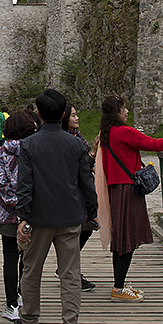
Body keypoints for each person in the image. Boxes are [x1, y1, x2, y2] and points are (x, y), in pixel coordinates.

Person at [13, 89, 97, 324]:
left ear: (38, 114)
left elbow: (24, 186)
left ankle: (30, 321)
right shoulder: (75, 144)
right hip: (70, 217)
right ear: (62, 114)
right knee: (70, 274)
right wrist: (91, 210)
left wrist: (24, 218)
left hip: (38, 217)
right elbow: (86, 182)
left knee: (31, 270)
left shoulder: (29, 144)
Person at [97, 94, 163, 302]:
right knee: (127, 239)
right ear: (117, 112)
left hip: (117, 189)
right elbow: (154, 144)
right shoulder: (124, 132)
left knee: (121, 238)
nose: (127, 112)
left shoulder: (108, 133)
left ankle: (119, 284)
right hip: (128, 190)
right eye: (124, 109)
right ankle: (118, 288)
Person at [0, 110, 38, 321]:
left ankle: (10, 304)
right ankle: (24, 297)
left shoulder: (2, 151)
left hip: (7, 214)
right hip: (31, 212)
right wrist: (27, 205)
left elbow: (1, 182)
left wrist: (12, 202)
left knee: (10, 256)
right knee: (28, 257)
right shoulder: (35, 149)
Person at [62, 103, 98, 290]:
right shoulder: (69, 139)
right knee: (77, 231)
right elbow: (79, 166)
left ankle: (69, 269)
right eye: (73, 115)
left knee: (84, 230)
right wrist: (92, 154)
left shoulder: (77, 136)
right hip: (74, 193)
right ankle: (70, 272)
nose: (77, 118)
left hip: (82, 192)